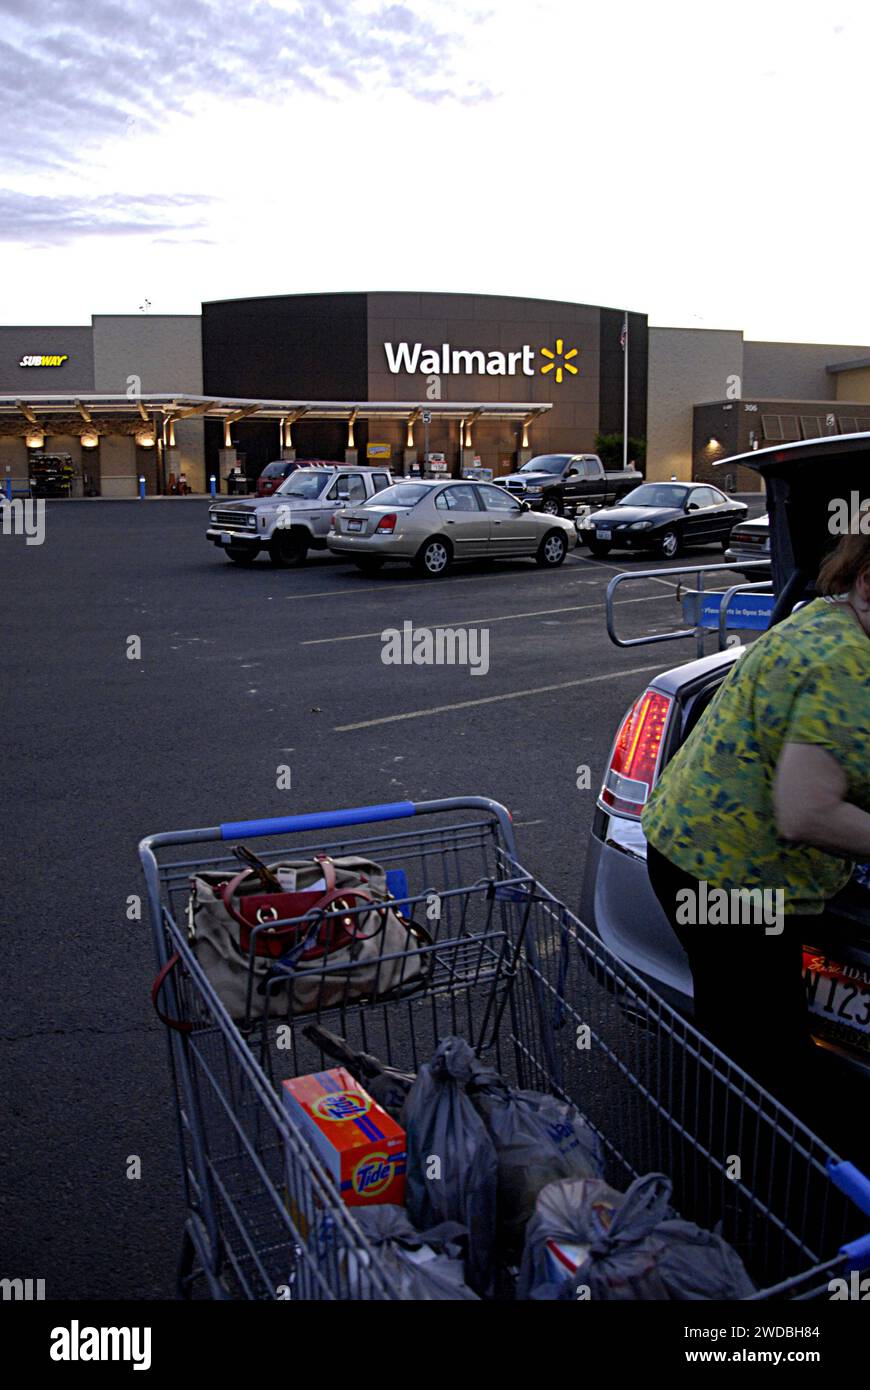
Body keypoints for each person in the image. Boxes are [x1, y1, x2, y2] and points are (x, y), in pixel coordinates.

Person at [642, 532, 870, 1145]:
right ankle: (747, 1183)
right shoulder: (848, 663)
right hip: (736, 884)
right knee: (770, 1055)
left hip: (687, 853)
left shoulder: (824, 615)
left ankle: (721, 1153)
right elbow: (806, 813)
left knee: (734, 1030)